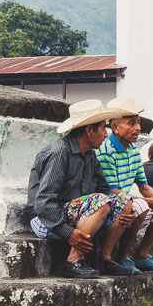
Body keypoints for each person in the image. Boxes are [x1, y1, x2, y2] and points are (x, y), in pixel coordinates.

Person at [27, 99, 130, 279]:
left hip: (75, 212)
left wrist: (125, 211)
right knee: (100, 201)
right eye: (102, 129)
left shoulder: (89, 155)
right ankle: (73, 260)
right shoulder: (60, 152)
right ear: (89, 130)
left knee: (123, 201)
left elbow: (105, 189)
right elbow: (44, 202)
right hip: (46, 218)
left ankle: (106, 258)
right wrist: (67, 232)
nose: (106, 135)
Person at [96, 98, 153, 274]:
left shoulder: (133, 150)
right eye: (131, 123)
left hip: (125, 201)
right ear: (115, 128)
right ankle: (123, 256)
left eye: (138, 122)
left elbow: (143, 185)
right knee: (139, 205)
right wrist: (148, 201)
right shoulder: (105, 151)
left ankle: (141, 255)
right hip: (111, 203)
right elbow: (111, 190)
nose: (138, 128)